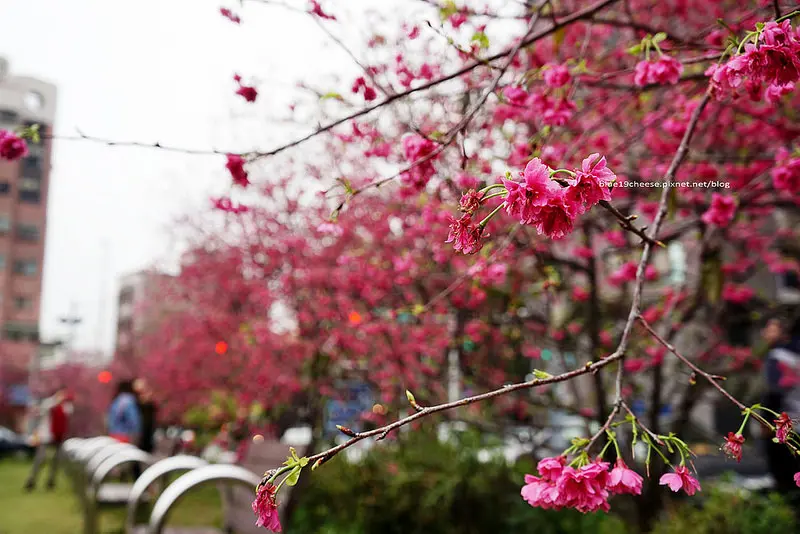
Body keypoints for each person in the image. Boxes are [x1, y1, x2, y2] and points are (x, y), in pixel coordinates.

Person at [762, 316, 800, 494]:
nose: (765, 333)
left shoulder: (778, 356)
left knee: (786, 481)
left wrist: (766, 423)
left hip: (788, 425)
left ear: (784, 333)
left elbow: (774, 392)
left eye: (771, 328)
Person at [23, 389, 73, 491]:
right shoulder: (49, 403)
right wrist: (55, 402)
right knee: (40, 459)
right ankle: (31, 481)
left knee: (56, 461)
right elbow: (42, 410)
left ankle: (51, 482)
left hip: (59, 437)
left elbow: (68, 414)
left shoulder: (66, 406)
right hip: (46, 436)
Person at [132, 378, 157, 478]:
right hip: (140, 438)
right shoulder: (134, 403)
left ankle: (143, 480)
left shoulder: (149, 404)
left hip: (146, 438)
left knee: (143, 458)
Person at [107, 380, 141, 444]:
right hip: (124, 435)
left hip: (114, 434)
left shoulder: (116, 400)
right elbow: (133, 419)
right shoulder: (129, 399)